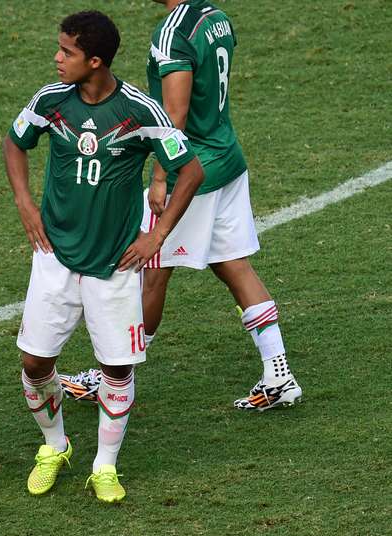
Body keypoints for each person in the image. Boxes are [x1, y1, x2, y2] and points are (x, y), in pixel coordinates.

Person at [3, 10, 204, 503]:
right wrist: (25, 203)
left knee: (116, 369)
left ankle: (104, 466)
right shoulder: (51, 100)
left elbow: (191, 171)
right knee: (34, 362)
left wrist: (156, 237)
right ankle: (55, 446)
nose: (56, 58)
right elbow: (14, 143)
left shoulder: (140, 110)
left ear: (95, 61)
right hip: (54, 255)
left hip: (116, 263)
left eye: (66, 51)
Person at [142, 0, 302, 410]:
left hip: (192, 172)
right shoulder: (215, 17)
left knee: (150, 271)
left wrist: (160, 175)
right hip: (226, 158)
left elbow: (174, 116)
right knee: (233, 264)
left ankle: (114, 371)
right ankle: (278, 374)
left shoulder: (172, 32)